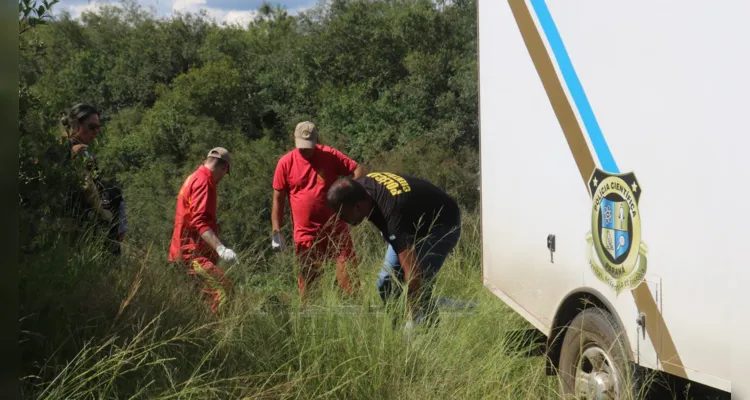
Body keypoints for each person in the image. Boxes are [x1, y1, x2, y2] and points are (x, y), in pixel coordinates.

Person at [326, 172, 462, 328]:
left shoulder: (392, 213)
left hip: (442, 224)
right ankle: (395, 329)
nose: (341, 220)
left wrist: (411, 322)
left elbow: (414, 275)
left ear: (358, 206)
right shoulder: (362, 189)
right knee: (386, 283)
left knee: (422, 287)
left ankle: (425, 335)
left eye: (343, 215)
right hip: (410, 222)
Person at [271, 121, 365, 298]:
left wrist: (349, 196)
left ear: (316, 139)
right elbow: (278, 199)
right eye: (301, 146)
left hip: (335, 229)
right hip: (305, 234)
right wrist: (276, 231)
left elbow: (357, 169)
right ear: (294, 139)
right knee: (309, 287)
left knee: (349, 280)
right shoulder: (286, 163)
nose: (305, 150)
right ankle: (311, 319)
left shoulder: (330, 155)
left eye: (309, 146)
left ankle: (355, 313)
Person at [169, 147, 239, 314]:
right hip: (193, 253)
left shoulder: (194, 177)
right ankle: (217, 333)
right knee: (224, 291)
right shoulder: (204, 182)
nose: (222, 178)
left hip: (185, 251)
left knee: (200, 301)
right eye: (224, 174)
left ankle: (201, 333)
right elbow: (200, 222)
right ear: (224, 168)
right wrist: (221, 249)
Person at [60, 103, 128, 255]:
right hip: (77, 221)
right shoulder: (79, 152)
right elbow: (88, 187)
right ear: (76, 125)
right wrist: (104, 215)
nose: (96, 132)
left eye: (98, 127)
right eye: (92, 127)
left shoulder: (58, 147)